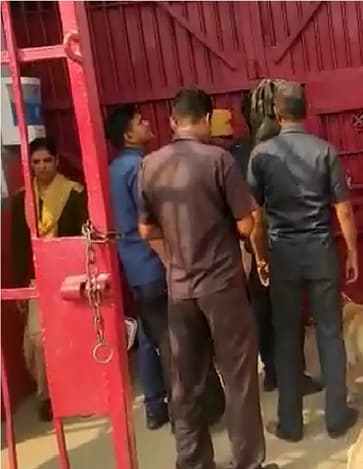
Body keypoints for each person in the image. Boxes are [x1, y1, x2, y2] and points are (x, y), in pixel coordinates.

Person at [137, 89, 275, 469]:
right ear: (207, 118)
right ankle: (247, 462)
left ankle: (194, 461)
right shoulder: (219, 160)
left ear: (172, 121)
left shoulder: (149, 165)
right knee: (239, 378)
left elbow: (146, 230)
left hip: (180, 290)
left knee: (186, 383)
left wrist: (171, 260)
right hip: (222, 285)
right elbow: (246, 224)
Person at [247, 81, 359, 442]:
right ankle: (337, 416)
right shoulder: (325, 151)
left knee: (286, 335)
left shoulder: (261, 156)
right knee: (330, 331)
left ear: (277, 114)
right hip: (321, 251)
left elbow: (255, 217)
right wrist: (352, 251)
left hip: (283, 255)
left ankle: (290, 423)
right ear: (306, 111)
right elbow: (343, 209)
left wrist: (260, 256)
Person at [105, 104, 226, 432]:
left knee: (151, 338)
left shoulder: (115, 168)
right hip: (155, 264)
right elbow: (155, 218)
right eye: (139, 122)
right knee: (177, 344)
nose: (147, 123)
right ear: (129, 135)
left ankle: (155, 406)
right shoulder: (140, 167)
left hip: (135, 266)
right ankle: (187, 415)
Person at [225, 100, 322, 395]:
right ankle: (294, 375)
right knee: (288, 314)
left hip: (250, 244)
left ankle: (271, 372)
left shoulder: (237, 154)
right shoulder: (279, 150)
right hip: (278, 240)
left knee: (263, 311)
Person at [10, 137, 88, 422]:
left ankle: (77, 392)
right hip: (36, 279)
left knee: (72, 337)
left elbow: (82, 239)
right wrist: (21, 286)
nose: (42, 166)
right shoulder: (22, 199)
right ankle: (48, 395)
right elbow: (19, 246)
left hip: (67, 277)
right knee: (38, 342)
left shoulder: (74, 193)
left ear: (56, 161)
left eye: (47, 160)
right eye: (36, 162)